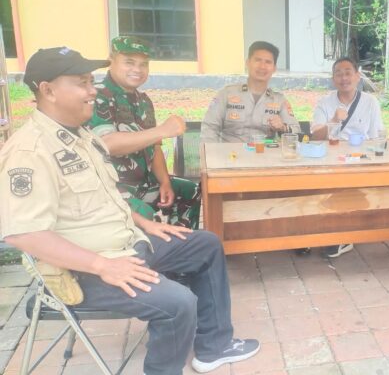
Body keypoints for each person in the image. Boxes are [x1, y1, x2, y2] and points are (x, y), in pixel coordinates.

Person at [1, 47, 260, 374]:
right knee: (178, 303)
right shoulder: (30, 151)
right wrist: (103, 265)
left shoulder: (81, 137)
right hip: (86, 270)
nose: (92, 90)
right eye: (82, 83)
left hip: (128, 244)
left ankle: (214, 347)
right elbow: (25, 235)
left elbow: (105, 198)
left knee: (205, 245)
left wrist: (145, 224)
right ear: (48, 90)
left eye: (91, 81)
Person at [87, 36, 200, 229]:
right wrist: (162, 130)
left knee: (190, 191)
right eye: (129, 62)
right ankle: (158, 242)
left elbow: (154, 146)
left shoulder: (143, 101)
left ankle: (183, 241)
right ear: (111, 60)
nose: (137, 70)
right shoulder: (97, 95)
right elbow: (108, 144)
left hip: (143, 183)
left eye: (143, 64)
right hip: (112, 188)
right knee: (146, 215)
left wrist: (164, 181)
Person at [310, 57, 385, 258]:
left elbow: (376, 136)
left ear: (357, 76)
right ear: (333, 79)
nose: (344, 78)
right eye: (339, 74)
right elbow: (315, 136)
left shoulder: (370, 102)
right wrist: (334, 120)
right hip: (329, 157)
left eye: (348, 73)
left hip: (360, 159)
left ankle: (345, 234)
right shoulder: (325, 102)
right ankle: (327, 232)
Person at [201, 41, 301, 143]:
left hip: (263, 152)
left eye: (268, 62)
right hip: (231, 152)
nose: (262, 66)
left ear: (274, 68)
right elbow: (210, 128)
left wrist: (283, 127)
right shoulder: (226, 94)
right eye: (258, 60)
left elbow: (296, 131)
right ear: (247, 63)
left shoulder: (279, 100)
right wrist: (212, 152)